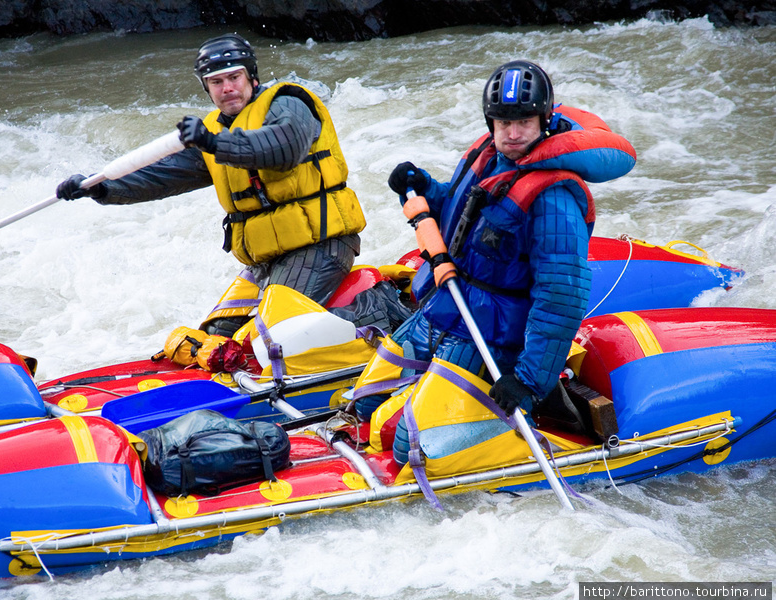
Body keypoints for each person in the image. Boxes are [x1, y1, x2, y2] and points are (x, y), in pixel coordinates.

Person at [351, 60, 636, 468]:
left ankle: (511, 427)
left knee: (407, 447)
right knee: (366, 404)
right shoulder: (488, 157)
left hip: (492, 339)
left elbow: (561, 300)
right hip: (443, 310)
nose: (513, 133)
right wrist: (422, 187)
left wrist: (526, 381)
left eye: (523, 121)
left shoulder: (553, 199)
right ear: (491, 122)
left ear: (546, 120)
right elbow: (457, 212)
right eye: (503, 122)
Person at [57, 34, 410, 338]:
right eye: (216, 82)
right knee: (215, 338)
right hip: (269, 259)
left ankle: (378, 312)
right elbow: (160, 175)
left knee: (267, 337)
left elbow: (282, 150)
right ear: (206, 88)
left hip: (321, 246)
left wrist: (213, 143)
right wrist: (98, 187)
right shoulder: (215, 131)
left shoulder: (290, 103)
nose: (227, 88)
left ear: (251, 77)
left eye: (234, 77)